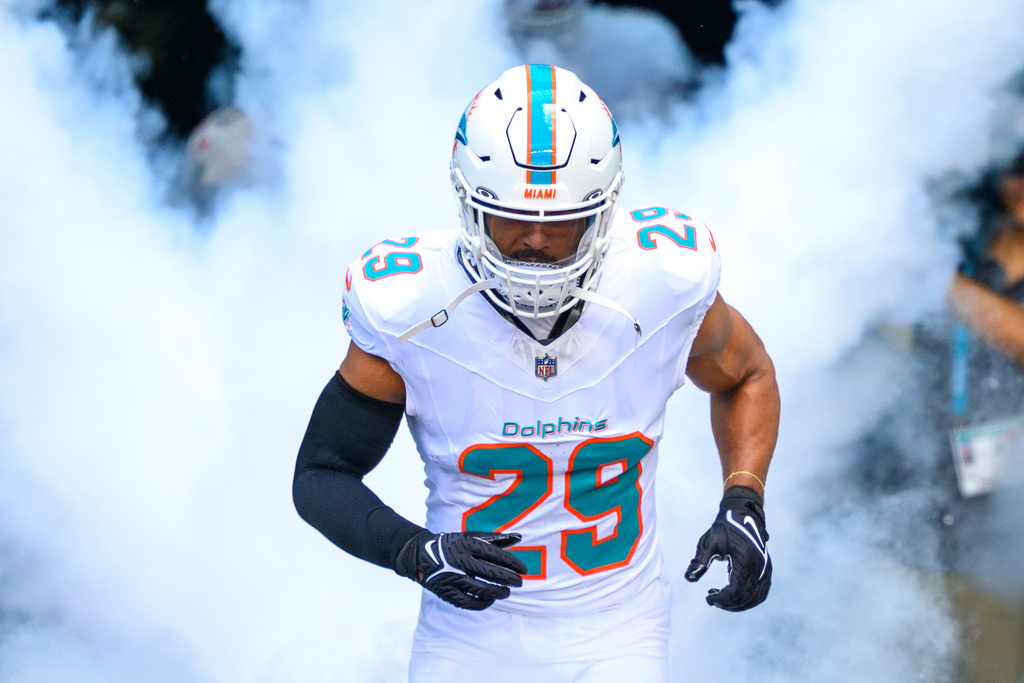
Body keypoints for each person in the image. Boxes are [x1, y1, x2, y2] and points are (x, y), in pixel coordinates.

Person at [293, 64, 780, 682]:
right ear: (468, 206)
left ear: (605, 211)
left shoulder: (663, 282)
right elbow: (321, 473)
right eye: (512, 217)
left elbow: (747, 376)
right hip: (467, 637)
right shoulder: (412, 308)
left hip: (618, 632)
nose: (536, 243)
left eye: (561, 221)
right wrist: (413, 551)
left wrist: (744, 496)